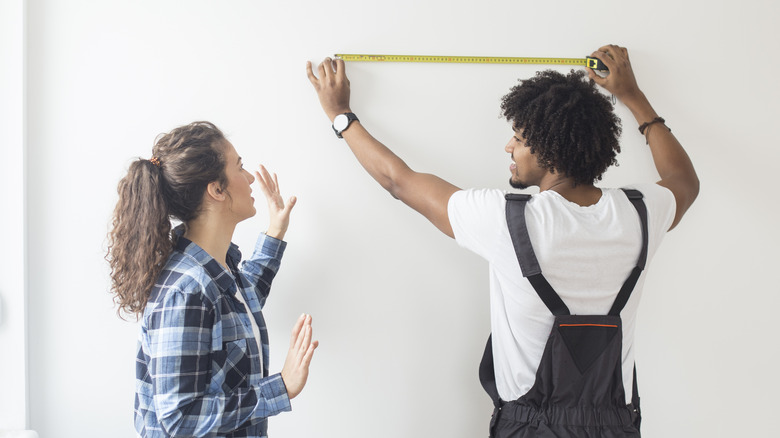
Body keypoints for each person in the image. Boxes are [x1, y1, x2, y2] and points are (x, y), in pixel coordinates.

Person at [307, 44, 698, 436]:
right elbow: (685, 181)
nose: (509, 147)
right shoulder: (640, 213)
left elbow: (398, 181)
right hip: (615, 427)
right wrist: (633, 96)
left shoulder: (508, 220)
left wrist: (340, 116)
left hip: (529, 428)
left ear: (550, 151)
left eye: (519, 138)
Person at [107, 121, 318, 437]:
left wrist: (276, 230)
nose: (249, 179)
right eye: (240, 167)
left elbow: (239, 310)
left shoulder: (214, 268)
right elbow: (179, 419)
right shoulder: (187, 289)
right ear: (216, 189)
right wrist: (282, 387)